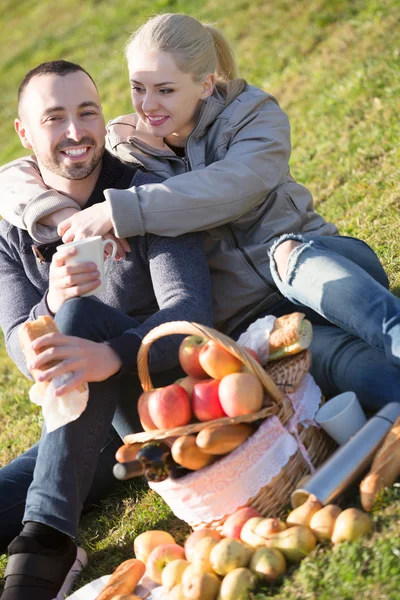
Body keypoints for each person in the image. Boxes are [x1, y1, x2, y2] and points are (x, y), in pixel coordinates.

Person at [0, 13, 400, 412]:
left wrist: (120, 210)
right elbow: (15, 176)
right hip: (253, 321)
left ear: (206, 84)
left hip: (328, 269)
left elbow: (230, 187)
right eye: (138, 88)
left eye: (166, 89)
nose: (148, 104)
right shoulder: (128, 143)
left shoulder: (254, 116)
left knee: (287, 253)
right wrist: (63, 216)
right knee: (348, 365)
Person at [0, 59, 213, 600]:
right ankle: (46, 534)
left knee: (81, 318)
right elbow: (21, 351)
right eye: (54, 118)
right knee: (66, 311)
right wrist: (53, 297)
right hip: (85, 430)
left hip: (164, 408)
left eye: (86, 112)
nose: (76, 132)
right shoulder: (10, 227)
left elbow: (192, 315)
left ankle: (47, 542)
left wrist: (113, 354)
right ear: (24, 133)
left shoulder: (146, 194)